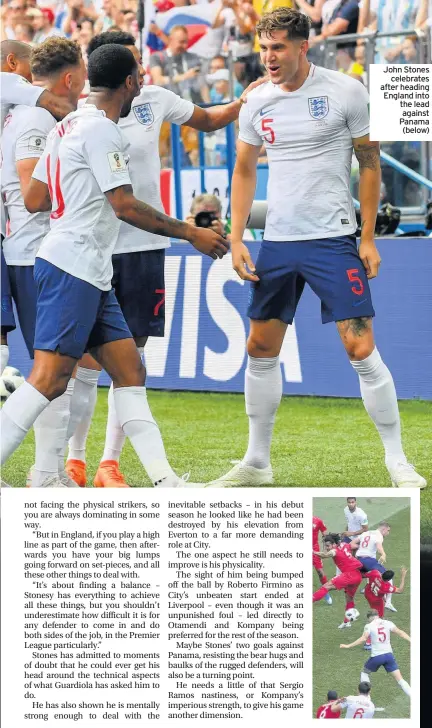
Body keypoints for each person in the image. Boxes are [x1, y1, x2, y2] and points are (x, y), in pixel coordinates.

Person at [208, 7, 426, 490]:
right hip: (278, 243)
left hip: (332, 240)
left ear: (304, 46)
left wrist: (367, 236)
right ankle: (257, 463)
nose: (269, 57)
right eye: (264, 48)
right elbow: (244, 171)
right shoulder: (256, 101)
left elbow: (369, 164)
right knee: (260, 347)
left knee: (360, 345)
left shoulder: (345, 91)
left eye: (278, 47)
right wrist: (238, 235)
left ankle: (397, 460)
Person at [0, 43, 229, 489]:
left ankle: (166, 482)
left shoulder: (65, 124)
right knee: (49, 378)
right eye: (139, 77)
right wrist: (191, 233)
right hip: (74, 266)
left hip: (85, 266)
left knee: (129, 371)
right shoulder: (104, 131)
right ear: (131, 83)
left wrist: (76, 193)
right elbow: (123, 206)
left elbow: (35, 199)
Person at [64, 30, 263, 488]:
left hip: (146, 248)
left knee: (131, 357)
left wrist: (243, 102)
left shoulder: (154, 98)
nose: (139, 74)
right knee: (86, 362)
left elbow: (210, 119)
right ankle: (72, 459)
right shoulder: (81, 114)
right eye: (130, 66)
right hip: (98, 245)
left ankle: (107, 464)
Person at [2, 37, 87, 488]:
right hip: (34, 254)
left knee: (61, 368)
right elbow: (32, 191)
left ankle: (50, 471)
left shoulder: (19, 110)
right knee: (53, 370)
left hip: (25, 248)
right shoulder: (34, 115)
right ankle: (46, 473)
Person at [340, 609, 411, 697]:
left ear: (370, 617)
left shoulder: (369, 626)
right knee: (400, 680)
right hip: (389, 655)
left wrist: (348, 646)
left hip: (377, 656)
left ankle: (366, 698)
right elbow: (400, 633)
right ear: (377, 615)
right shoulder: (388, 623)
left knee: (364, 673)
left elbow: (363, 639)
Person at [149, 25, 210, 104]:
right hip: (168, 106)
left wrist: (208, 105)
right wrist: (184, 76)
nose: (185, 46)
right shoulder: (157, 57)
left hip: (194, 105)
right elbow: (158, 80)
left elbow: (202, 85)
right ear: (171, 40)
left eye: (186, 42)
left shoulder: (194, 58)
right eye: (181, 42)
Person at [312, 534, 363, 628]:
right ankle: (347, 622)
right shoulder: (344, 544)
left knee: (326, 586)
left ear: (334, 544)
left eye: (328, 545)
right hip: (357, 576)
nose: (327, 548)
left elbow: (325, 555)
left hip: (349, 575)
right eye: (325, 546)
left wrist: (313, 552)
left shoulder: (334, 551)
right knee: (349, 599)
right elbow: (355, 546)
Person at [312, 515, 332, 604]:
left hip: (314, 549)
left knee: (320, 572)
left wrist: (326, 548)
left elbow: (325, 534)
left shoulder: (318, 521)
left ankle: (325, 592)